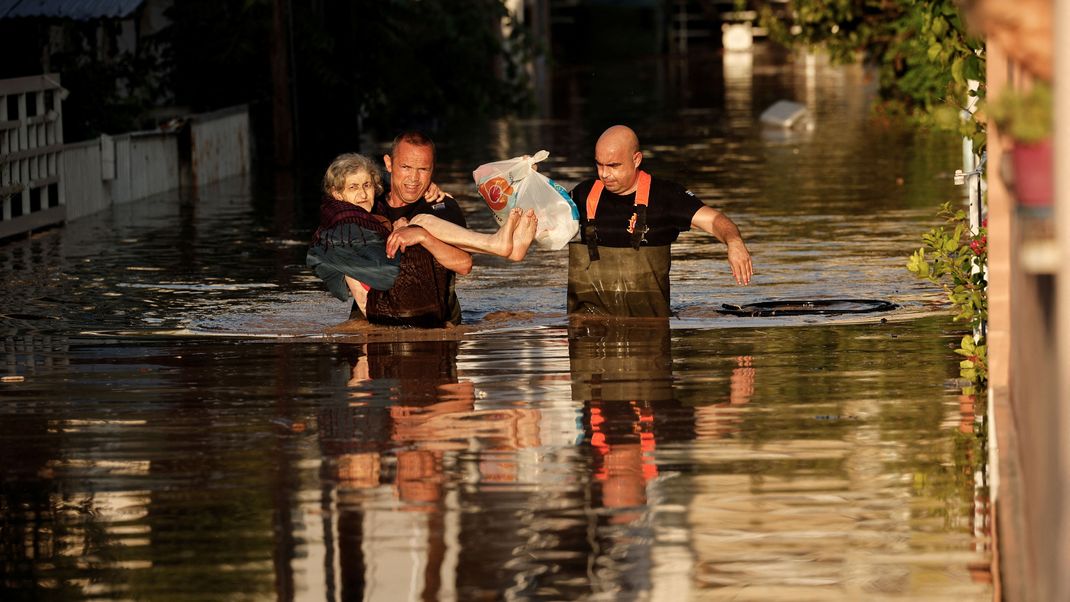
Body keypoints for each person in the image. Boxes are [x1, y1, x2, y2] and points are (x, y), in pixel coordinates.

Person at [567, 125, 753, 317]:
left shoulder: (666, 196)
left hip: (650, 326)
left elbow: (715, 220)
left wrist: (734, 242)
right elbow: (544, 220)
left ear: (636, 159)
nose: (604, 174)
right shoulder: (584, 194)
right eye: (599, 164)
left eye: (614, 166)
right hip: (588, 326)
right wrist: (533, 179)